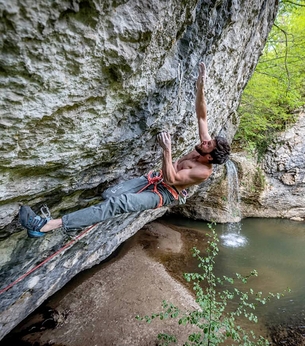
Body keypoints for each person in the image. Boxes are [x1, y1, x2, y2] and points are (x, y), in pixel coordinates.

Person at [19, 62, 231, 238]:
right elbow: (202, 116)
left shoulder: (203, 171)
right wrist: (200, 86)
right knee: (110, 195)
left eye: (208, 145)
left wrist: (167, 150)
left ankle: (45, 226)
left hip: (164, 193)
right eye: (208, 140)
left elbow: (173, 178)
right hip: (155, 179)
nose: (205, 140)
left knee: (119, 203)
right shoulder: (205, 147)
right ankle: (78, 222)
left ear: (209, 157)